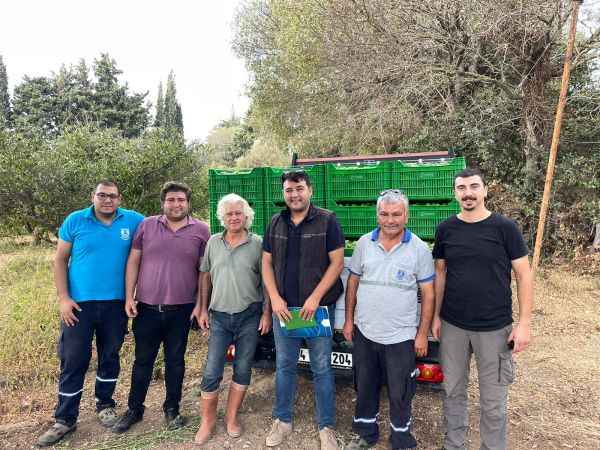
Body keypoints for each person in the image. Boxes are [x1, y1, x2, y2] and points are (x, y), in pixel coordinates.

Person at [432, 167, 533, 450]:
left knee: (494, 401)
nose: (468, 193)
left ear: (485, 190)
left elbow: (524, 274)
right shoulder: (446, 229)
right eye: (462, 188)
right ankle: (454, 444)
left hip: (495, 328)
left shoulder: (505, 228)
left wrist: (524, 323)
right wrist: (438, 316)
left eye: (474, 187)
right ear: (455, 193)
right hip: (453, 326)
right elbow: (440, 273)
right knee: (452, 392)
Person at [37, 181, 144, 447]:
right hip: (78, 306)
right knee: (73, 360)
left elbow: (162, 226)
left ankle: (105, 404)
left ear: (120, 199)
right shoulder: (75, 221)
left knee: (110, 355)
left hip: (116, 305)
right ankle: (65, 418)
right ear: (92, 197)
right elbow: (60, 259)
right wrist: (63, 298)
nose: (107, 200)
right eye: (102, 195)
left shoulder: (133, 220)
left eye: (113, 196)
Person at [112, 181, 210, 433]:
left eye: (180, 200)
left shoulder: (201, 230)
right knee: (142, 361)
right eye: (171, 200)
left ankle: (172, 408)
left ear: (188, 203)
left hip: (181, 310)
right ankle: (134, 409)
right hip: (146, 308)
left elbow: (203, 272)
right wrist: (129, 297)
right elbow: (133, 261)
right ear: (163, 202)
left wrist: (201, 305)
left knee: (175, 361)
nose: (176, 204)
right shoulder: (147, 226)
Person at [343, 189, 435, 450]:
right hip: (366, 332)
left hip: (401, 336)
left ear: (406, 215)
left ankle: (401, 438)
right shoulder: (363, 243)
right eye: (384, 214)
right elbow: (353, 284)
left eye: (396, 214)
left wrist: (421, 333)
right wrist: (349, 320)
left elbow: (428, 294)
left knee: (400, 391)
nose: (390, 220)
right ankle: (365, 433)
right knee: (365, 385)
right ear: (377, 215)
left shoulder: (419, 249)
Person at [262, 170, 345, 450]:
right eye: (289, 190)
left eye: (299, 188)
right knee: (285, 366)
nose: (294, 194)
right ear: (283, 194)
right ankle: (282, 420)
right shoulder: (275, 222)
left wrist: (315, 298)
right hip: (285, 311)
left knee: (322, 367)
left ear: (309, 190)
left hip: (317, 310)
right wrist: (274, 298)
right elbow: (266, 264)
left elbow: (337, 263)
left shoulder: (327, 220)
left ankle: (326, 427)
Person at [194, 193, 272, 444]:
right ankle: (207, 422)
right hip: (218, 317)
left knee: (242, 367)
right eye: (229, 213)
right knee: (212, 370)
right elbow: (205, 276)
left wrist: (266, 312)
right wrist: (203, 308)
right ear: (222, 218)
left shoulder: (258, 244)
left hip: (249, 315)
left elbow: (267, 282)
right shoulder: (213, 243)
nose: (234, 217)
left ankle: (231, 418)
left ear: (246, 215)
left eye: (239, 213)